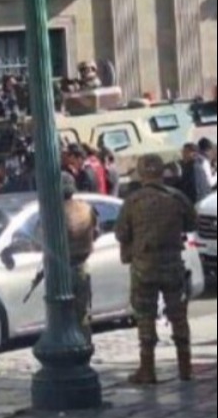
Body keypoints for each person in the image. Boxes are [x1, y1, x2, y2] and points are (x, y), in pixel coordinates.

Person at [115, 155, 198, 385]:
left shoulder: (133, 201)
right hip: (172, 265)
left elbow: (121, 233)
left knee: (145, 317)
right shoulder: (177, 198)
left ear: (141, 174)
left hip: (144, 267)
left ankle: (148, 368)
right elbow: (192, 223)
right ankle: (185, 366)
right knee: (178, 316)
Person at [61, 173, 99, 341]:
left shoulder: (55, 212)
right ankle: (85, 349)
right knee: (83, 314)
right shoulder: (86, 208)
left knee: (63, 315)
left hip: (61, 270)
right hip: (82, 267)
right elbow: (96, 231)